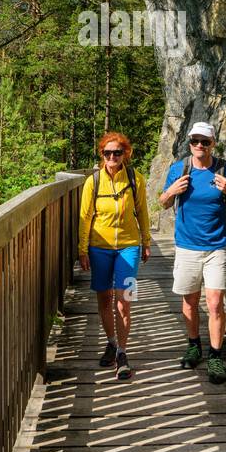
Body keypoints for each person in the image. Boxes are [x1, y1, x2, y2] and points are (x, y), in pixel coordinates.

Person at [158, 121, 226, 384]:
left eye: (204, 142)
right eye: (195, 141)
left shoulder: (225, 169)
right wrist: (171, 191)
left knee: (216, 303)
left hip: (217, 246)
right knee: (190, 302)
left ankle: (215, 356)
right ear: (190, 143)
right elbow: (162, 203)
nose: (199, 146)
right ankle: (194, 345)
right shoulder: (179, 169)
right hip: (186, 247)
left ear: (213, 144)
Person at [78, 131, 151, 381]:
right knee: (104, 298)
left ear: (125, 154)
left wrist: (147, 242)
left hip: (129, 247)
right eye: (107, 153)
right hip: (99, 247)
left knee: (125, 299)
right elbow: (85, 216)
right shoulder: (93, 181)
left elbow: (142, 212)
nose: (112, 157)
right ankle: (110, 342)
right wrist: (82, 248)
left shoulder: (135, 178)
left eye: (117, 153)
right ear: (102, 154)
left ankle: (122, 352)